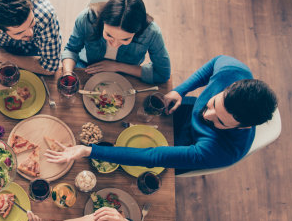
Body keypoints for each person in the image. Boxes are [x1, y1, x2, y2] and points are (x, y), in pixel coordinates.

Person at [46, 55, 278, 174]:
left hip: (192, 148)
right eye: (213, 103)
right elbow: (215, 62)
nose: (207, 116)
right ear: (228, 87)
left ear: (242, 127)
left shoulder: (221, 152)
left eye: (220, 121)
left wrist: (89, 150)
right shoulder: (234, 72)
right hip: (180, 110)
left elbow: (153, 156)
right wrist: (180, 90)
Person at [61, 0, 170, 84]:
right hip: (87, 65)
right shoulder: (86, 19)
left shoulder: (151, 33)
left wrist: (117, 66)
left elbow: (162, 74)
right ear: (102, 21)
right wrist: (67, 74)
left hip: (126, 74)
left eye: (125, 39)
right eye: (109, 35)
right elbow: (71, 50)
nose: (114, 44)